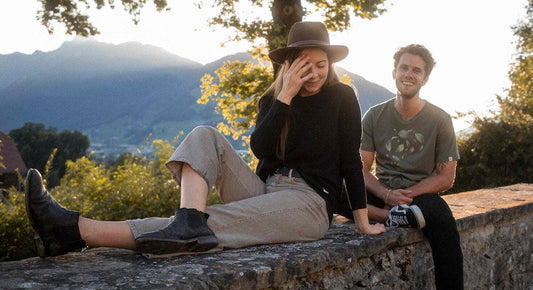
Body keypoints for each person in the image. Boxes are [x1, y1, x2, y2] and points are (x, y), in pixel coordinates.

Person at [24, 21, 385, 259]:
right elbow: (260, 149)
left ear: (330, 65)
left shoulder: (342, 98)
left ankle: (75, 230)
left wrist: (362, 222)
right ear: (288, 65)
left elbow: (350, 163)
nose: (314, 72)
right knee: (204, 135)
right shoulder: (273, 100)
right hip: (266, 190)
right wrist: (284, 98)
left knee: (209, 224)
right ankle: (189, 220)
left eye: (320, 64)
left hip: (308, 205)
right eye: (304, 64)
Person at [360, 44, 463, 289]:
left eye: (416, 70)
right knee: (334, 190)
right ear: (394, 72)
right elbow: (361, 169)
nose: (409, 74)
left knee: (442, 217)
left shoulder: (440, 119)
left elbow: (446, 177)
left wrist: (405, 196)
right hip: (381, 193)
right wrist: (387, 195)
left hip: (419, 197)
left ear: (425, 79)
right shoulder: (374, 116)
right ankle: (393, 217)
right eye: (403, 68)